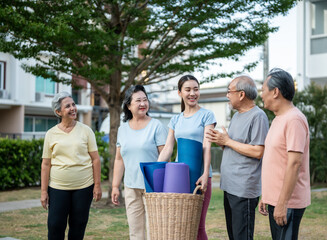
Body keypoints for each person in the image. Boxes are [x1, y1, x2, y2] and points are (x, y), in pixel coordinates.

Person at [206, 75, 269, 240]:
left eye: (229, 92)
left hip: (244, 189)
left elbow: (258, 151)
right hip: (230, 186)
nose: (227, 95)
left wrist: (228, 141)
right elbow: (234, 145)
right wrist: (221, 141)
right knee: (233, 235)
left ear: (241, 94)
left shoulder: (258, 116)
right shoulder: (236, 116)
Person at [157, 74, 216, 240]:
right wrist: (155, 169)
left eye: (196, 89)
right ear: (179, 93)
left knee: (197, 226)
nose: (192, 93)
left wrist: (205, 174)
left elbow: (206, 145)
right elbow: (168, 148)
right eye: (188, 89)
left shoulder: (207, 115)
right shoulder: (175, 119)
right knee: (180, 225)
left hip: (200, 177)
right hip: (178, 178)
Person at [41, 91, 102, 240]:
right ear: (58, 112)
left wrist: (97, 185)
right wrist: (44, 191)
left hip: (84, 187)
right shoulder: (51, 134)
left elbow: (95, 160)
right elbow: (46, 164)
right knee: (55, 226)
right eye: (67, 106)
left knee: (78, 226)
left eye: (73, 104)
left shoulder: (86, 131)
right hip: (57, 188)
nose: (73, 108)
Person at [258, 68, 311, 240]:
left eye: (263, 90)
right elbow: (275, 160)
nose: (261, 95)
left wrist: (282, 203)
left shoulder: (294, 120)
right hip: (276, 199)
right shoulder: (278, 118)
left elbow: (294, 163)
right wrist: (266, 196)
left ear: (275, 92)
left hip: (288, 202)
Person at [111, 85, 167, 240]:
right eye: (138, 101)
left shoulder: (156, 126)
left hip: (152, 187)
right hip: (130, 187)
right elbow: (119, 159)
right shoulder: (122, 129)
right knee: (135, 231)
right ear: (129, 105)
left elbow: (165, 157)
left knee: (154, 231)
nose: (143, 104)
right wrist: (115, 186)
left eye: (145, 100)